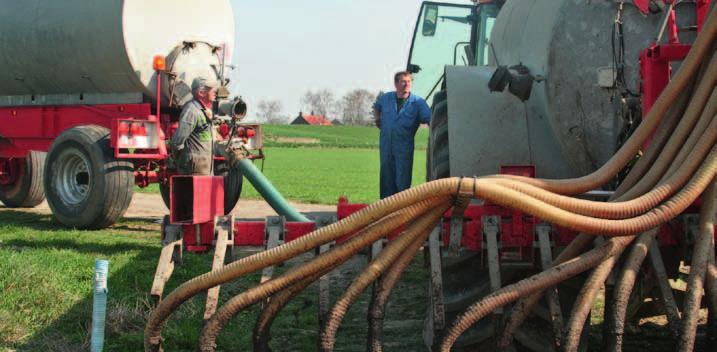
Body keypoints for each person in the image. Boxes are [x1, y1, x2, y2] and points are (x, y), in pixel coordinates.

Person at [373, 71, 431, 199]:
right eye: (403, 81)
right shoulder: (386, 98)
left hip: (403, 147)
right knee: (386, 177)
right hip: (386, 145)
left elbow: (430, 118)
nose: (406, 84)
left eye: (409, 81)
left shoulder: (418, 102)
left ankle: (401, 209)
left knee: (402, 179)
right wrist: (377, 120)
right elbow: (376, 107)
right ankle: (385, 209)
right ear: (396, 84)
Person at [170, 76, 219, 175]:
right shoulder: (191, 111)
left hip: (205, 169)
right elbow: (177, 142)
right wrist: (183, 161)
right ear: (201, 93)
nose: (215, 91)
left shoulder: (203, 111)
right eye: (211, 89)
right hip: (193, 171)